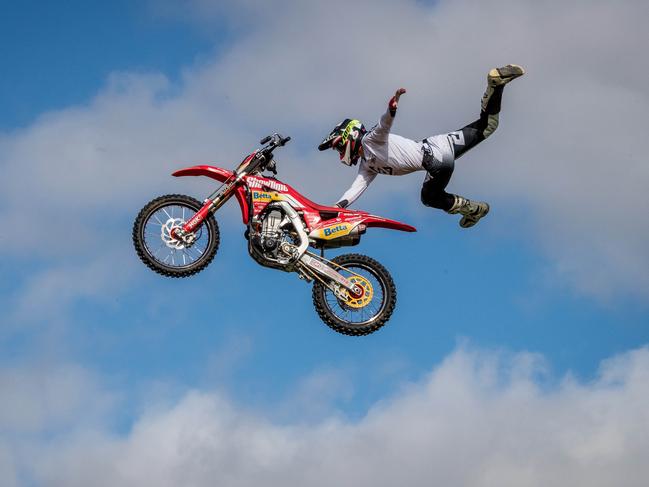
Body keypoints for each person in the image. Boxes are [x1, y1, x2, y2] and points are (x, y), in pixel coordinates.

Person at [318, 64, 525, 228]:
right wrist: (336, 208)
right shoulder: (367, 166)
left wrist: (392, 108)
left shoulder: (370, 140)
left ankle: (469, 208)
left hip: (434, 159)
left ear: (349, 136)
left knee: (428, 198)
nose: (339, 153)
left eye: (338, 147)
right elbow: (355, 189)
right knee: (488, 126)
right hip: (438, 145)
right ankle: (495, 84)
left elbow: (383, 125)